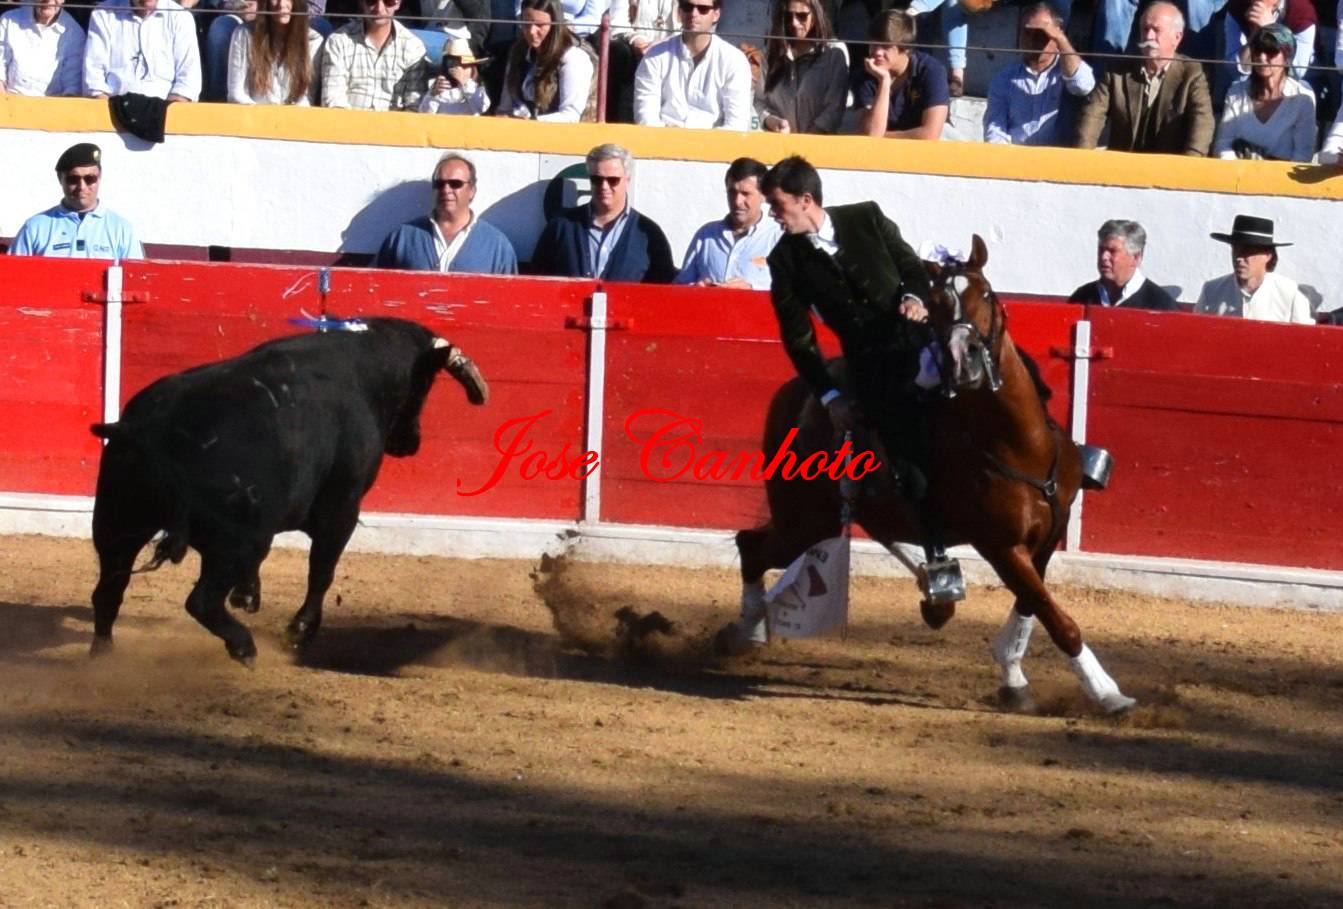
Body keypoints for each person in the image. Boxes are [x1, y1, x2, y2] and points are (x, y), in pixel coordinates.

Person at [760, 154, 949, 570]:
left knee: (993, 379)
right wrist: (830, 396)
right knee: (902, 447)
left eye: (777, 205)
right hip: (873, 369)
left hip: (923, 344)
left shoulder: (867, 217)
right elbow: (799, 339)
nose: (772, 214)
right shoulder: (785, 260)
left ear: (805, 200)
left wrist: (914, 298)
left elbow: (911, 267)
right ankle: (936, 555)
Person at [1074, 1, 1213, 156]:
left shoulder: (1192, 73)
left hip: (1171, 166)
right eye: (1145, 29)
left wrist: (1189, 164)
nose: (1148, 36)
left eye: (1156, 30)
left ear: (1177, 37)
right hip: (1124, 164)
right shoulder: (1117, 70)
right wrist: (1083, 158)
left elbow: (1203, 123)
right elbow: (1092, 116)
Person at [531, 143, 676, 283]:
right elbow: (537, 283)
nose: (604, 186)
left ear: (627, 180)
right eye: (597, 179)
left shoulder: (648, 234)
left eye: (613, 180)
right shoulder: (561, 227)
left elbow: (664, 291)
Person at [374, 154, 518, 274]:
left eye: (455, 184)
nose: (446, 190)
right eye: (439, 184)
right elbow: (375, 287)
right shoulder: (402, 238)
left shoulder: (497, 246)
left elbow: (510, 296)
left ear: (472, 191)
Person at [983, 2, 1094, 147]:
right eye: (1027, 32)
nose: (1033, 40)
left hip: (1059, 156)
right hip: (1017, 155)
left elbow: (1083, 86)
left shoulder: (1067, 71)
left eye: (1042, 34)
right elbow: (994, 129)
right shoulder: (1004, 78)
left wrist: (1061, 40)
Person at [9, 143, 143, 260]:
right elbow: (13, 274)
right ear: (60, 179)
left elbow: (134, 277)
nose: (81, 187)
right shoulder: (35, 228)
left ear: (100, 176)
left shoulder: (121, 230)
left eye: (90, 179)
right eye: (73, 179)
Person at [633, 0, 752, 130]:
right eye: (687, 7)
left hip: (714, 141)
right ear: (679, 12)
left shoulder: (734, 60)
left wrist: (700, 139)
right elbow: (645, 117)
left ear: (716, 14)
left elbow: (737, 125)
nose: (694, 14)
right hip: (662, 139)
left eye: (703, 9)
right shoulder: (655, 56)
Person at [1212, 24, 1316, 161]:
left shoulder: (1302, 98)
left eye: (1271, 51)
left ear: (1286, 56)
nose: (1261, 57)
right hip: (1238, 172)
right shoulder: (1236, 92)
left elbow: (1303, 155)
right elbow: (1222, 144)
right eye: (1257, 50)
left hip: (1282, 174)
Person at [675, 157, 782, 290]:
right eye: (732, 192)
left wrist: (752, 290)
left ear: (764, 195)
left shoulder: (778, 238)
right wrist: (697, 288)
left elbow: (795, 292)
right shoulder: (706, 235)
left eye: (745, 194)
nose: (737, 201)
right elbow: (680, 287)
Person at [1195, 215, 1312, 324]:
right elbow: (1197, 331)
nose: (1239, 258)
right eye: (1236, 250)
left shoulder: (1290, 294)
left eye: (1248, 252)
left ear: (1267, 256)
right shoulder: (1211, 291)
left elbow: (1304, 337)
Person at [854, 10, 948, 140]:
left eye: (886, 46)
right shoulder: (866, 74)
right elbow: (871, 133)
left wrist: (883, 136)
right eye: (874, 44)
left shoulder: (931, 70)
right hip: (888, 148)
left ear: (906, 48)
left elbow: (930, 135)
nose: (877, 52)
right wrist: (884, 81)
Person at [759, 0, 849, 135]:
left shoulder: (834, 53)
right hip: (778, 142)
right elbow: (759, 101)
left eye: (802, 16)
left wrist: (806, 140)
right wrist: (771, 121)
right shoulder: (771, 53)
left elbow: (834, 108)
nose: (794, 23)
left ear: (816, 15)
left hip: (819, 142)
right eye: (788, 16)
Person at [498, 0, 597, 122]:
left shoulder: (574, 58)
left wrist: (531, 123)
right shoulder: (518, 53)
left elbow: (571, 116)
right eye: (526, 24)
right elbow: (505, 108)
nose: (531, 31)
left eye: (540, 25)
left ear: (554, 25)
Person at [320, 0, 429, 110]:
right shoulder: (338, 41)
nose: (379, 8)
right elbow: (333, 100)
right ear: (362, 2)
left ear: (398, 3)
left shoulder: (413, 46)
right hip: (347, 119)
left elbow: (414, 106)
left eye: (388, 1)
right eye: (371, 1)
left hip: (395, 121)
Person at [83, 0, 201, 101]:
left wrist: (166, 114)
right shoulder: (103, 13)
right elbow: (93, 80)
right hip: (112, 110)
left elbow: (188, 83)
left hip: (165, 113)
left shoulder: (180, 17)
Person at [1067, 220, 1179, 311]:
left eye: (1112, 251)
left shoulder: (1160, 305)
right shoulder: (1082, 297)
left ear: (1135, 257)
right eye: (1101, 250)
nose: (1104, 257)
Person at [227, 0, 322, 105]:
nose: (281, 4)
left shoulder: (313, 40)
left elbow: (306, 98)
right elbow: (236, 93)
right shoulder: (244, 34)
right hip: (253, 111)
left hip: (295, 113)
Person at [0, 0, 85, 96]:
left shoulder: (75, 33)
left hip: (53, 103)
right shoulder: (8, 20)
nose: (48, 0)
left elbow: (72, 87)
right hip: (10, 99)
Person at [418, 36, 491, 114]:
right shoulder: (441, 84)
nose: (457, 68)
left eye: (464, 65)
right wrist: (433, 95)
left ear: (472, 67)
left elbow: (482, 109)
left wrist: (464, 84)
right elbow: (425, 113)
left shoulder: (479, 87)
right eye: (452, 63)